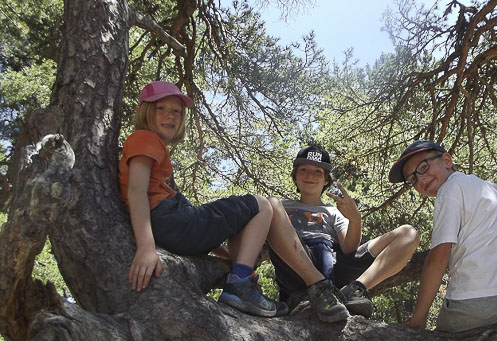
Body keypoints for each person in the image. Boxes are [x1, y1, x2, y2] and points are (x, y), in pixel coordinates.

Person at [118, 81, 349, 322]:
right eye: (160, 108)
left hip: (177, 227)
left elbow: (182, 216)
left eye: (176, 111)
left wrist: (225, 254)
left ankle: (241, 274)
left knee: (248, 215)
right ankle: (244, 283)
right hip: (172, 222)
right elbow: (136, 191)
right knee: (262, 205)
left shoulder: (151, 147)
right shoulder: (145, 138)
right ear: (144, 111)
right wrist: (145, 248)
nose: (170, 115)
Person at [388, 140, 497, 332]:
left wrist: (418, 319)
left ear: (447, 160)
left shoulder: (448, 190)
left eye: (424, 167)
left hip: (474, 303)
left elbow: (438, 259)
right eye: (413, 180)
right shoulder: (482, 186)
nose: (421, 179)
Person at [270, 145, 420, 318]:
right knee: (269, 203)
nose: (310, 175)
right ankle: (315, 287)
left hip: (332, 266)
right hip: (295, 264)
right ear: (295, 176)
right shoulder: (279, 206)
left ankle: (356, 290)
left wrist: (355, 219)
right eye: (303, 169)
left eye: (318, 171)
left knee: (408, 233)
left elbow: (349, 248)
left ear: (326, 180)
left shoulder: (334, 212)